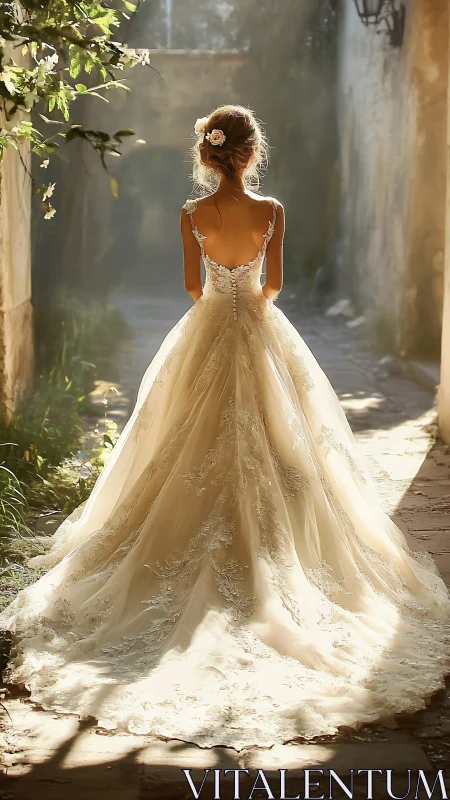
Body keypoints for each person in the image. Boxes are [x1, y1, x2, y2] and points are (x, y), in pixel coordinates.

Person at [1, 104, 449, 750]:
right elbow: (274, 287)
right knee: (289, 444)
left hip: (208, 327)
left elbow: (192, 286)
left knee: (180, 437)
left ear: (207, 157)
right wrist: (247, 299)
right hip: (262, 333)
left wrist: (220, 294)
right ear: (252, 151)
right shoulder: (274, 212)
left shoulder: (191, 216)